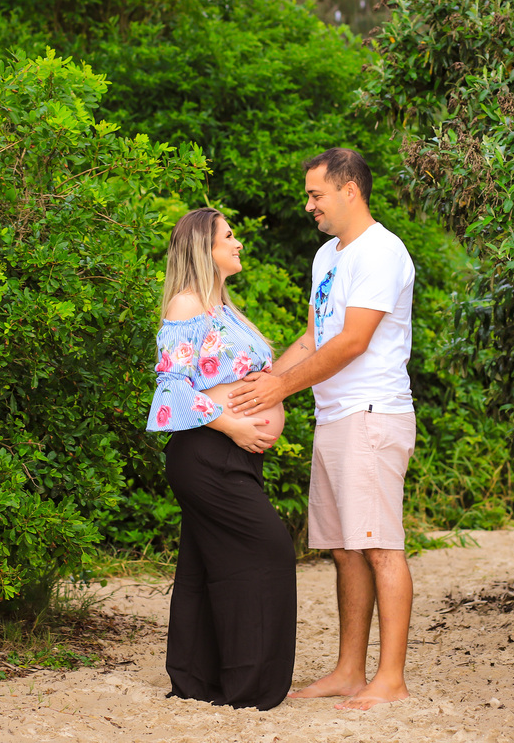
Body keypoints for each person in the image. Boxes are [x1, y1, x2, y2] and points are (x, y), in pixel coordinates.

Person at [226, 148, 416, 711]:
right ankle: (349, 670)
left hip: (372, 414)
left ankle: (392, 678)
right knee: (344, 550)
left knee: (380, 547)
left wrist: (279, 391)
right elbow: (314, 339)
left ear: (350, 189)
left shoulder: (382, 252)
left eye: (316, 194)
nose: (308, 205)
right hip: (334, 416)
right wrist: (261, 383)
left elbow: (353, 341)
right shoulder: (327, 256)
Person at [145, 207, 297, 711]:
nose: (238, 243)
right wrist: (232, 423)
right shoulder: (187, 304)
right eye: (228, 236)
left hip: (233, 457)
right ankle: (249, 684)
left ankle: (198, 678)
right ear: (203, 249)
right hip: (206, 452)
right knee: (269, 548)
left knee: (203, 563)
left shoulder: (225, 308)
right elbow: (171, 387)